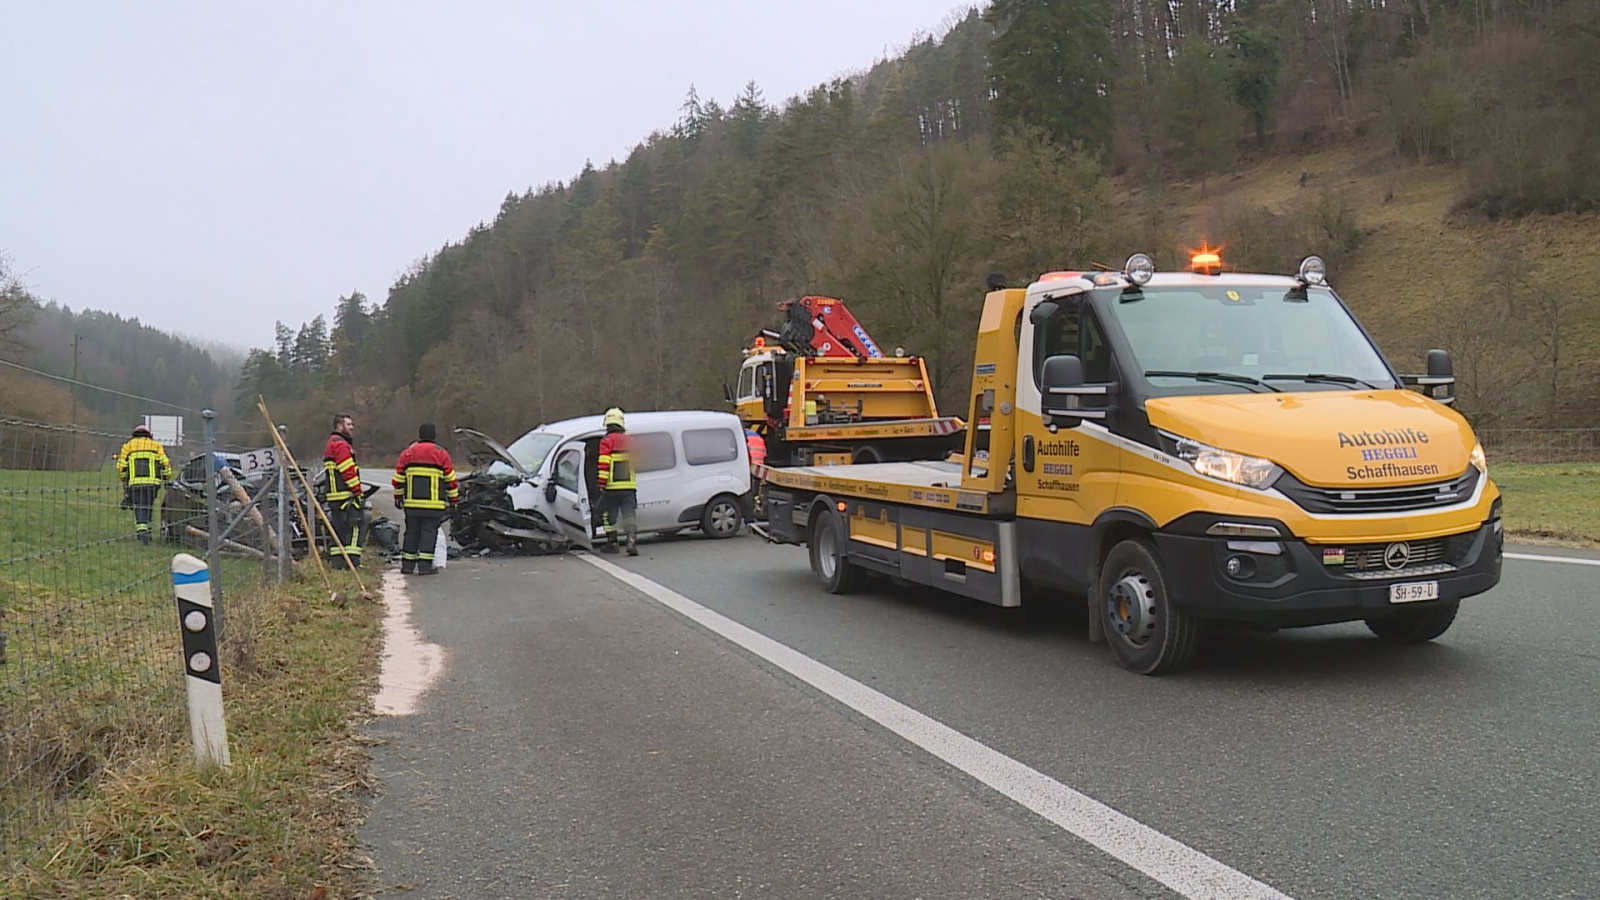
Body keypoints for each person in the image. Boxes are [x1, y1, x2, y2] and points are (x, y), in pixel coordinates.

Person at [391, 423, 459, 575]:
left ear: (420, 435)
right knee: (429, 533)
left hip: (411, 504)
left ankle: (407, 566)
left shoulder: (408, 453)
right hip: (433, 505)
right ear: (434, 436)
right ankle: (424, 566)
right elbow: (451, 481)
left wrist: (398, 497)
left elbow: (398, 479)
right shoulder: (441, 454)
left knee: (411, 532)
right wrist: (454, 501)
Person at [116, 423, 173, 544]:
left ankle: (142, 533)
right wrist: (167, 477)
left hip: (135, 483)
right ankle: (148, 530)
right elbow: (165, 462)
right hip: (153, 484)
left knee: (139, 506)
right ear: (149, 435)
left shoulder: (128, 446)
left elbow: (121, 466)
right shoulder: (156, 445)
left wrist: (124, 480)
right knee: (148, 505)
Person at [322, 413, 364, 569]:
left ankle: (337, 562)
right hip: (345, 495)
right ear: (339, 426)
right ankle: (352, 562)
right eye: (348, 424)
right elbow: (347, 470)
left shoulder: (331, 443)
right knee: (354, 526)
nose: (352, 427)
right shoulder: (341, 445)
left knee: (338, 529)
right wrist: (358, 491)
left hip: (334, 496)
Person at [596, 407, 638, 556]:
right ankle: (631, 540)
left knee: (609, 516)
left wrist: (601, 484)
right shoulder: (631, 441)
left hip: (612, 487)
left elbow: (604, 463)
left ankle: (612, 543)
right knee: (629, 514)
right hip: (629, 486)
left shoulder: (607, 441)